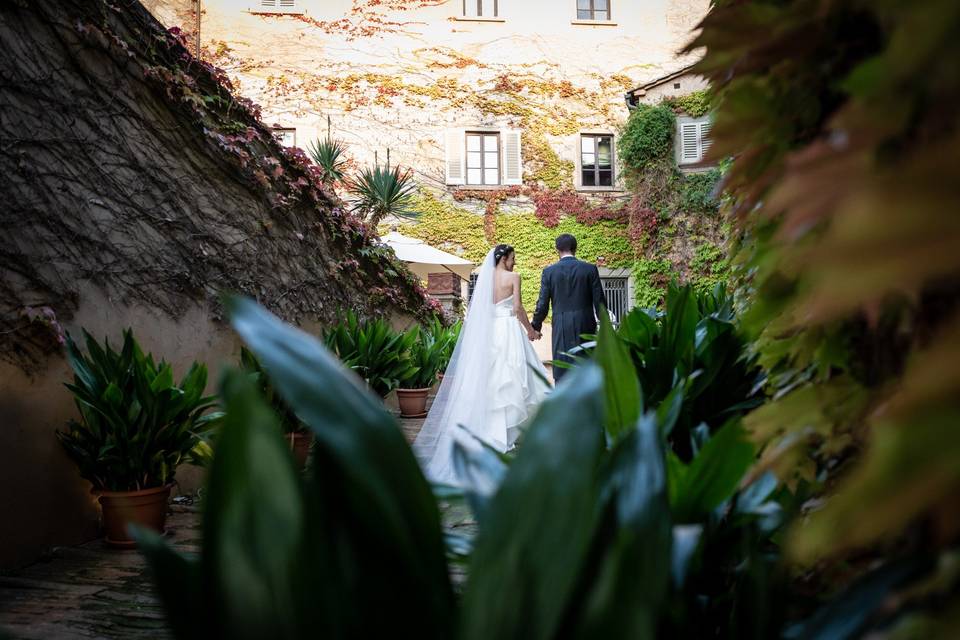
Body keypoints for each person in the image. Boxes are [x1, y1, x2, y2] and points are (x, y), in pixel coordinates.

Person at [413, 244, 550, 485]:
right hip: (508, 331)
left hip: (490, 334)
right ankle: (506, 431)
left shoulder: (485, 279)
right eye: (513, 258)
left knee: (491, 379)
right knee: (513, 376)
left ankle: (489, 431)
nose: (515, 262)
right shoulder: (513, 277)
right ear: (504, 258)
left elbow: (481, 311)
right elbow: (517, 308)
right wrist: (530, 330)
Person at [531, 233, 606, 382]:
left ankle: (563, 399)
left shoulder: (549, 272)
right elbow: (599, 302)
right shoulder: (590, 269)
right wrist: (606, 327)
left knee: (562, 366)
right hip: (586, 322)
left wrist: (535, 326)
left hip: (561, 325)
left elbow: (543, 303)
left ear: (557, 249)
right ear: (575, 248)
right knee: (586, 363)